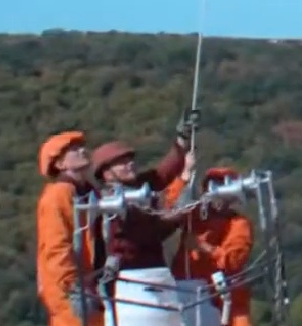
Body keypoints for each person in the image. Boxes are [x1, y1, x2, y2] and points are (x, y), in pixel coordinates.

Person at [88, 110, 197, 326]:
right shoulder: (111, 204)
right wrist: (181, 209)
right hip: (132, 283)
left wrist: (182, 141)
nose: (130, 164)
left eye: (130, 160)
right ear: (106, 173)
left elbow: (162, 174)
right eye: (121, 162)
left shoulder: (136, 187)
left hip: (155, 278)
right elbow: (151, 232)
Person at [167, 167, 256, 326]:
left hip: (226, 300)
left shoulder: (239, 224)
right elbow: (168, 208)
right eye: (212, 186)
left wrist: (204, 247)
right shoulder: (192, 215)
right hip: (188, 296)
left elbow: (233, 261)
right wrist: (183, 179)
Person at [35, 130, 103, 326]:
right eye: (73, 149)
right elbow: (56, 247)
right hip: (71, 291)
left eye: (81, 146)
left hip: (91, 286)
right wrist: (72, 287)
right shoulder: (58, 195)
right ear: (59, 164)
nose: (82, 151)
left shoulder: (88, 191)